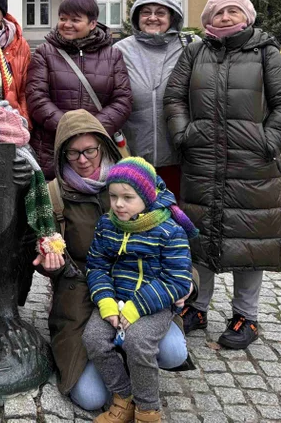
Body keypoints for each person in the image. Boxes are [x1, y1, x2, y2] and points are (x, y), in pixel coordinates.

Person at [164, 0, 281, 350]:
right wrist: (183, 133)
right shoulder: (195, 52)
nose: (225, 17)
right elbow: (175, 97)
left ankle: (246, 315)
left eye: (232, 11)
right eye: (218, 12)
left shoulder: (264, 51)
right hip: (202, 160)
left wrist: (267, 142)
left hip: (252, 163)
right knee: (200, 234)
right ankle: (198, 306)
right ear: (208, 18)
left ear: (247, 16)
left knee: (249, 239)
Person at [38, 111, 189, 413]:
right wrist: (49, 265)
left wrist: (187, 287)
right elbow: (71, 257)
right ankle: (122, 385)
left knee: (172, 352)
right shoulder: (54, 195)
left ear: (103, 146)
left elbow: (179, 255)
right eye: (72, 152)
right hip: (86, 292)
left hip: (143, 292)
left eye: (89, 150)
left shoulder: (137, 180)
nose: (82, 159)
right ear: (61, 154)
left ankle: (144, 396)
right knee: (92, 397)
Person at [82, 157, 197, 423]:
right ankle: (124, 397)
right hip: (115, 300)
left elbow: (177, 279)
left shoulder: (169, 230)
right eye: (113, 196)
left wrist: (137, 306)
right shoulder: (107, 225)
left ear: (147, 196)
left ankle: (148, 410)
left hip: (153, 304)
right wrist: (106, 301)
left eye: (127, 197)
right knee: (94, 339)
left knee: (138, 342)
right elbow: (97, 266)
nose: (118, 204)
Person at [26, 0, 133, 180]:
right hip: (53, 147)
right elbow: (36, 98)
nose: (67, 24)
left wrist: (92, 130)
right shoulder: (45, 52)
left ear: (92, 24)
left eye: (75, 20)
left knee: (99, 198)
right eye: (62, 19)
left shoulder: (112, 55)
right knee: (57, 202)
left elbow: (123, 100)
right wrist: (70, 128)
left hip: (97, 146)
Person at [114, 0, 188, 198]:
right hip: (133, 150)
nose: (153, 17)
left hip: (178, 153)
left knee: (174, 211)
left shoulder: (190, 46)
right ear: (137, 18)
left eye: (160, 13)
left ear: (172, 18)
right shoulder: (120, 49)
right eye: (146, 12)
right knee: (138, 210)